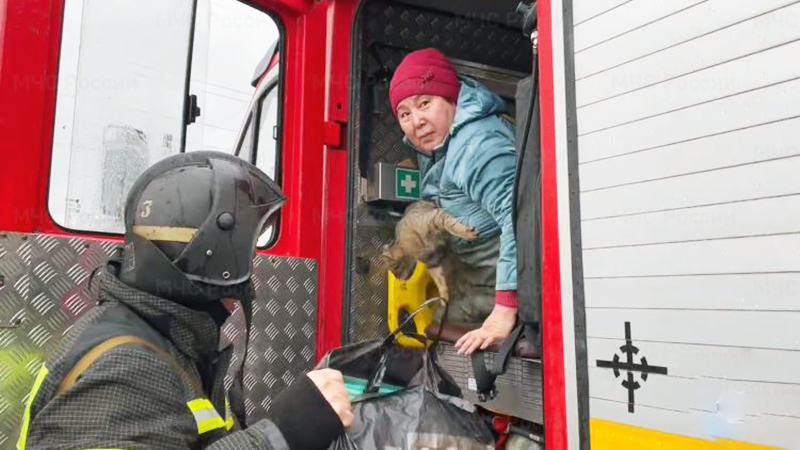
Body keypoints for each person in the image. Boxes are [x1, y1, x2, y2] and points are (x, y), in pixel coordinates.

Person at [17, 152, 352, 449]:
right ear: (210, 262)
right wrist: (281, 435)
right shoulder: (128, 369)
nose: (246, 277)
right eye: (241, 258)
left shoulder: (158, 340)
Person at [389, 48, 518, 356]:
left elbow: (520, 218)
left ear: (452, 98)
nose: (416, 121)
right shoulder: (444, 145)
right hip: (474, 282)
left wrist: (504, 310)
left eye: (424, 104)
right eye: (404, 113)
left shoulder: (478, 146)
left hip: (501, 286)